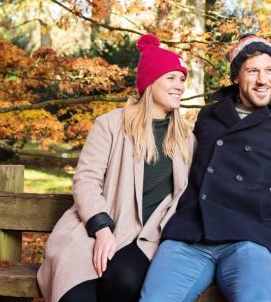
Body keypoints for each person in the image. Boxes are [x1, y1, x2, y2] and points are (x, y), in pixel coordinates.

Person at [140, 33, 271, 302]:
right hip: (191, 236)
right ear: (237, 77)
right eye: (253, 71)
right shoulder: (208, 116)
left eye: (269, 70)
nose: (263, 80)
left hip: (250, 237)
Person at [37, 34, 194, 302]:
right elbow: (86, 180)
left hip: (146, 237)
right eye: (171, 78)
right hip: (96, 227)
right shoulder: (110, 125)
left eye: (182, 79)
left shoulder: (187, 138)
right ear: (150, 82)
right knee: (76, 295)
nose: (179, 85)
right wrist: (101, 229)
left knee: (124, 281)